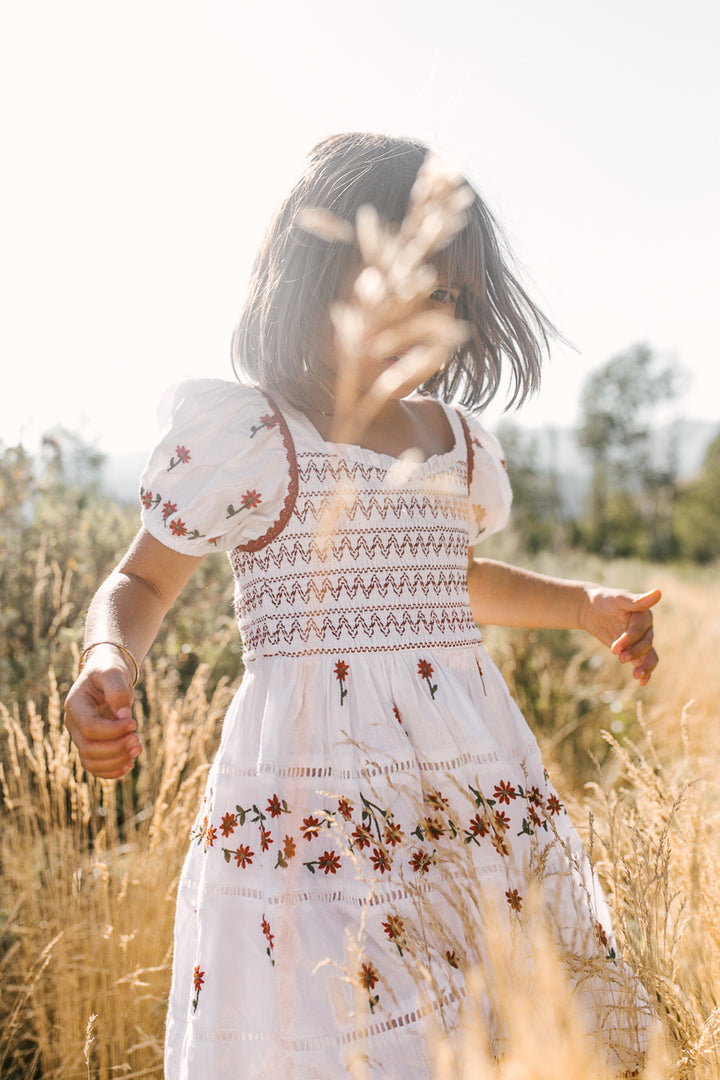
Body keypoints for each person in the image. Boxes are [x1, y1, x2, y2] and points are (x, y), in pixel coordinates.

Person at [64, 133, 660, 1078]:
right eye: (400, 284)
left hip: (465, 790)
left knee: (491, 1016)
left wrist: (581, 605)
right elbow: (140, 580)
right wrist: (109, 659)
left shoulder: (455, 442)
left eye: (448, 295)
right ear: (309, 281)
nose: (428, 314)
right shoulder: (255, 435)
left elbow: (449, 581)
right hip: (314, 804)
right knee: (338, 1028)